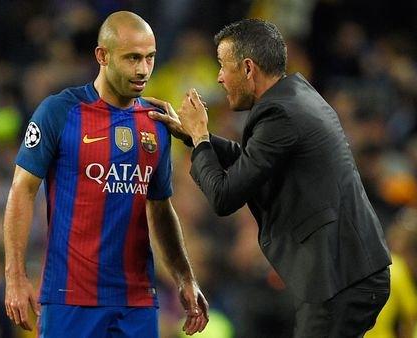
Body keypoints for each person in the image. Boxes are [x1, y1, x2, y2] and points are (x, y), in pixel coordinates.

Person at [147, 18, 392, 337]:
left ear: (248, 68)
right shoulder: (294, 97)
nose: (219, 78)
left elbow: (224, 196)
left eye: (223, 66)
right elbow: (251, 163)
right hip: (346, 275)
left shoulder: (280, 114)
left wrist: (202, 139)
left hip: (340, 278)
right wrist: (194, 136)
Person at [3, 11, 208, 338]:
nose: (143, 69)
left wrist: (185, 277)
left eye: (149, 58)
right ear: (102, 55)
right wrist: (15, 276)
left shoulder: (157, 123)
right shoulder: (59, 112)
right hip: (70, 298)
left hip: (137, 301)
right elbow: (22, 190)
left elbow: (160, 206)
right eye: (132, 58)